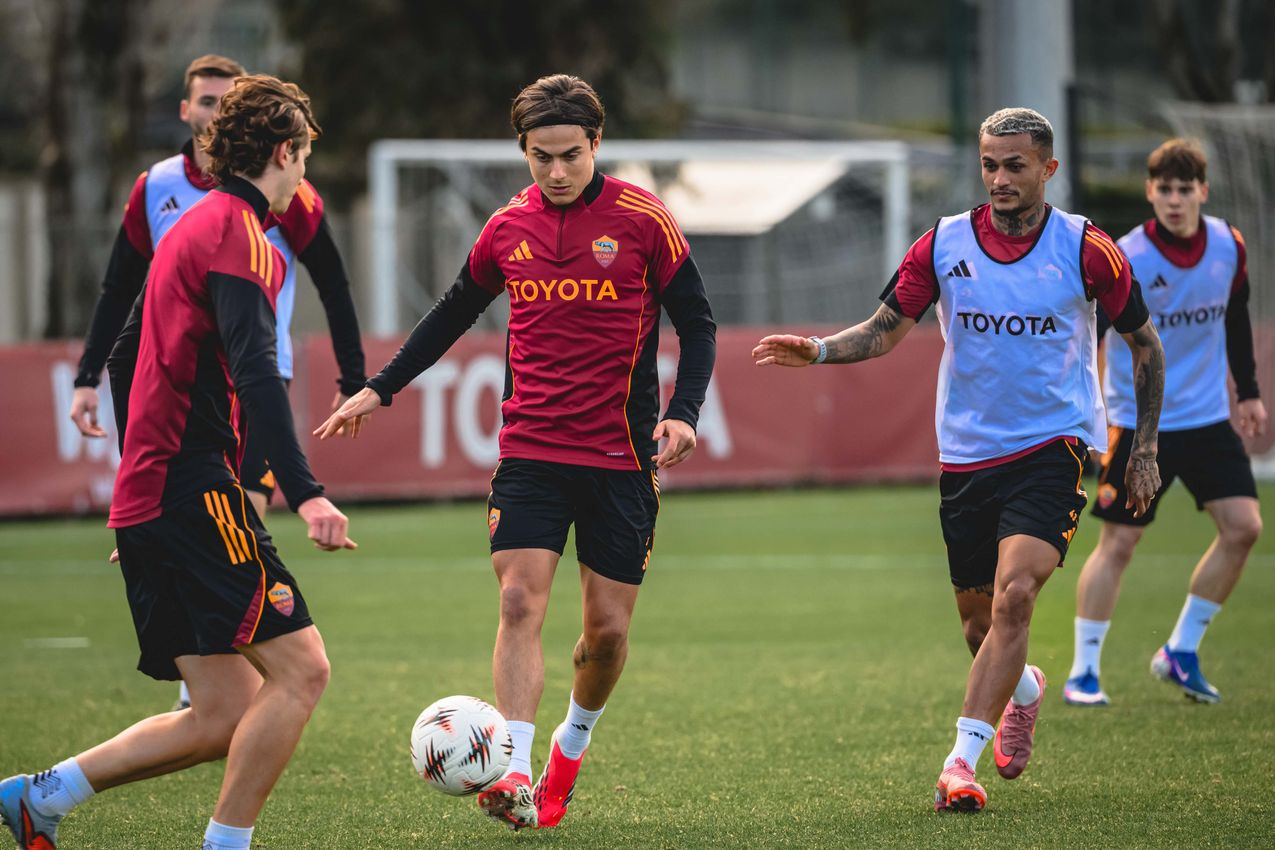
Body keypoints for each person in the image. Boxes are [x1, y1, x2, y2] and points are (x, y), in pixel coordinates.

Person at [315, 73, 717, 830]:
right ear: (523, 152)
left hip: (620, 458)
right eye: (541, 157)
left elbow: (697, 324)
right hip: (530, 449)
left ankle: (570, 744)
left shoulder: (643, 220)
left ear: (596, 145)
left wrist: (684, 413)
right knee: (516, 600)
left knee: (606, 635)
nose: (556, 171)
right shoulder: (506, 227)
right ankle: (514, 773)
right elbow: (453, 310)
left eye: (570, 155)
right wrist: (382, 386)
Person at [753, 108, 1165, 813]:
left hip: (1054, 446)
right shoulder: (942, 244)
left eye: (1014, 165)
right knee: (982, 630)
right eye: (989, 164)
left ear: (1047, 169)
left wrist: (1143, 448)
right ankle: (1023, 688)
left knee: (1014, 596)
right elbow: (884, 333)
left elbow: (1145, 346)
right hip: (968, 456)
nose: (999, 178)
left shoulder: (1085, 248)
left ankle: (957, 766)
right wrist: (819, 350)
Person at [1, 75, 355, 850]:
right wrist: (307, 493)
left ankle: (39, 797)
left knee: (224, 711)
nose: (303, 178)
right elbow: (260, 376)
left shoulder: (191, 227)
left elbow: (126, 358)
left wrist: (138, 492)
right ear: (284, 152)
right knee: (304, 672)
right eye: (302, 159)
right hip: (194, 489)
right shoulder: (244, 239)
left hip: (156, 494)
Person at [67, 53, 366, 711]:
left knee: (236, 561)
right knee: (292, 666)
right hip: (221, 416)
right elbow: (124, 309)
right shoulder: (188, 208)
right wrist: (309, 494)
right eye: (206, 101)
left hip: (221, 419)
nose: (213, 112)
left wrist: (146, 496)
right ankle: (220, 712)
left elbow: (332, 285)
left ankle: (210, 701)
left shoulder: (246, 217)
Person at [1063, 139, 1264, 707]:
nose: (1175, 200)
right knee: (1119, 543)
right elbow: (1094, 337)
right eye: (1165, 189)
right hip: (1136, 421)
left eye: (1186, 189)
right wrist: (1095, 414)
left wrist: (1248, 393)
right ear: (1150, 192)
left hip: (1205, 418)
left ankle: (1181, 650)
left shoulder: (1229, 246)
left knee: (1244, 528)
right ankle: (1084, 671)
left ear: (1202, 191)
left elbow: (1236, 317)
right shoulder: (1127, 255)